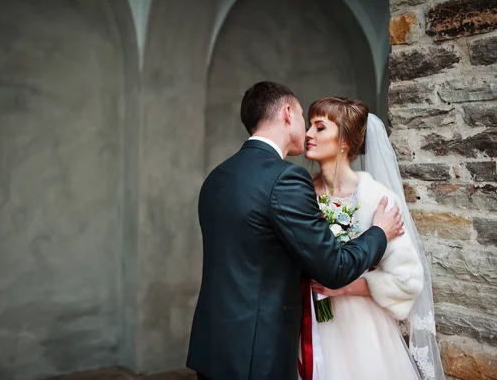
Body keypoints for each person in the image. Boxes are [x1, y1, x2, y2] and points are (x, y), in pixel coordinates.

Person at [186, 82, 405, 380]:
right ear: (288, 114)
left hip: (212, 347)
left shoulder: (217, 177)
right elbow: (334, 268)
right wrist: (379, 231)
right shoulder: (286, 179)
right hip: (256, 353)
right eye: (304, 117)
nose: (307, 131)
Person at [304, 97, 445, 380]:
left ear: (343, 141)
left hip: (360, 331)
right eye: (309, 126)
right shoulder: (299, 193)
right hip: (305, 323)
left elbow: (407, 280)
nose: (307, 134)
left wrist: (344, 286)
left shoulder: (376, 199)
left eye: (319, 128)